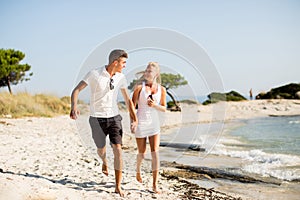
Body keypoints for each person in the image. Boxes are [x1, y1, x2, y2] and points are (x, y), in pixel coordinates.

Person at [70, 49, 137, 197]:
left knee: (118, 149)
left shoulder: (121, 77)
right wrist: (74, 106)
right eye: (123, 63)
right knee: (101, 150)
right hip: (96, 119)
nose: (125, 66)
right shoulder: (94, 74)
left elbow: (128, 101)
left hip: (114, 118)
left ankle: (118, 186)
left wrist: (134, 118)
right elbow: (76, 90)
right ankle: (104, 160)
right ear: (115, 62)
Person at [131, 62, 167, 194]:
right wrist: (134, 121)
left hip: (154, 124)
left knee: (155, 153)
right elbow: (132, 107)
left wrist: (154, 106)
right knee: (142, 152)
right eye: (146, 70)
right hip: (141, 123)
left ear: (156, 74)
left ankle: (154, 185)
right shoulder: (139, 88)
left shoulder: (162, 90)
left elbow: (163, 108)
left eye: (149, 71)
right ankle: (138, 170)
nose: (146, 73)